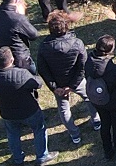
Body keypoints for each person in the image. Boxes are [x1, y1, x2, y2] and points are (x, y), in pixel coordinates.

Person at [0, 45, 51, 166]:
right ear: (11, 60)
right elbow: (38, 84)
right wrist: (28, 71)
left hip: (7, 112)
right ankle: (42, 156)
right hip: (29, 110)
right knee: (39, 129)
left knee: (13, 134)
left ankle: (18, 158)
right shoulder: (21, 75)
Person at [37, 11, 96, 146]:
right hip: (77, 80)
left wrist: (54, 87)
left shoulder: (44, 47)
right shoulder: (77, 43)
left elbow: (43, 70)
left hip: (58, 83)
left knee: (64, 109)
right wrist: (73, 86)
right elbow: (83, 66)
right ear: (66, 26)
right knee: (89, 97)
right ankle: (96, 120)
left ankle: (74, 134)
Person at [85, 33, 116, 161]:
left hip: (97, 100)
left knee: (105, 123)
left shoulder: (88, 62)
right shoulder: (114, 69)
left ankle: (108, 151)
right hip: (115, 102)